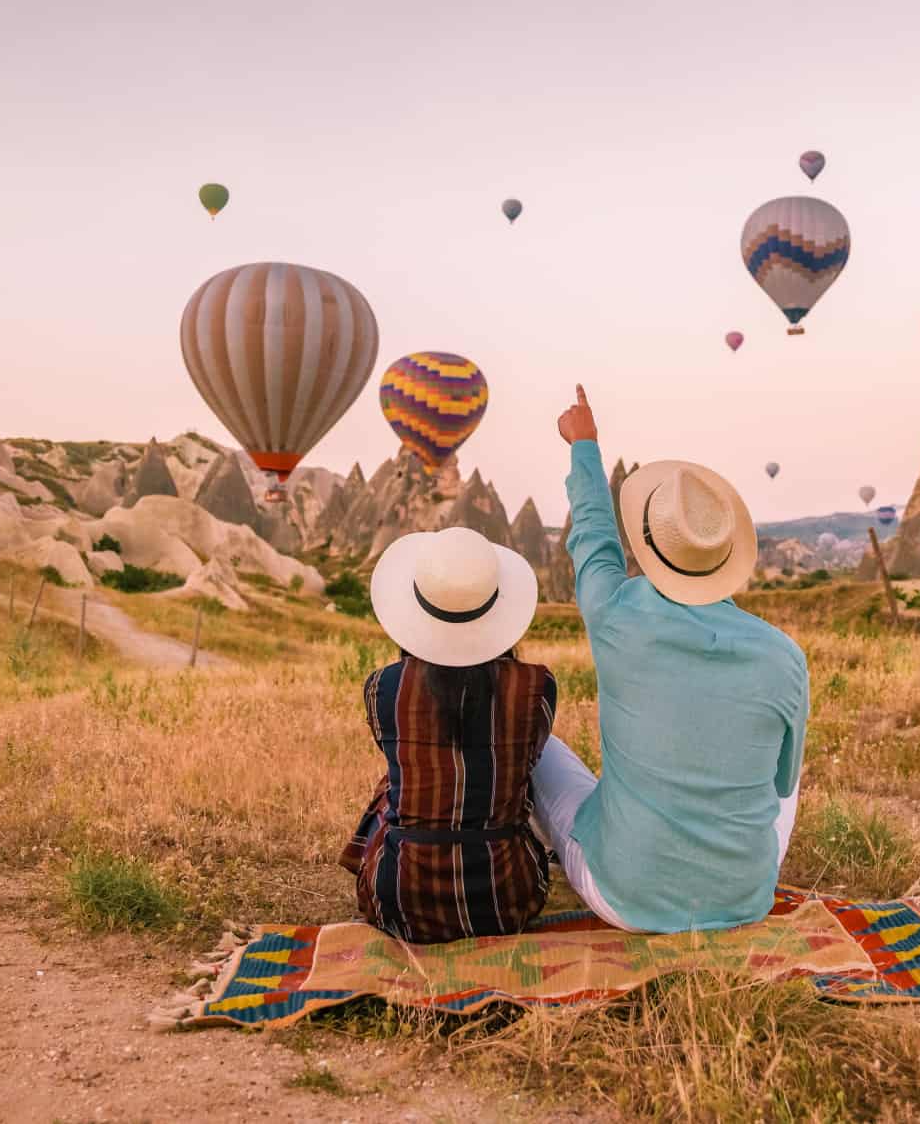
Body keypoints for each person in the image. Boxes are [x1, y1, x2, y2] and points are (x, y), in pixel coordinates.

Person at [531, 385, 809, 933]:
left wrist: (584, 444)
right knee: (789, 773)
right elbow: (780, 784)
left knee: (541, 748)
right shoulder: (784, 655)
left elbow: (592, 541)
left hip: (624, 897)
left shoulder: (618, 616)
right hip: (744, 898)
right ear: (729, 555)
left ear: (650, 546)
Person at [339, 526, 558, 943]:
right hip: (508, 900)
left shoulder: (381, 688)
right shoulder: (537, 687)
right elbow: (529, 758)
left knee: (394, 783)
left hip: (400, 900)